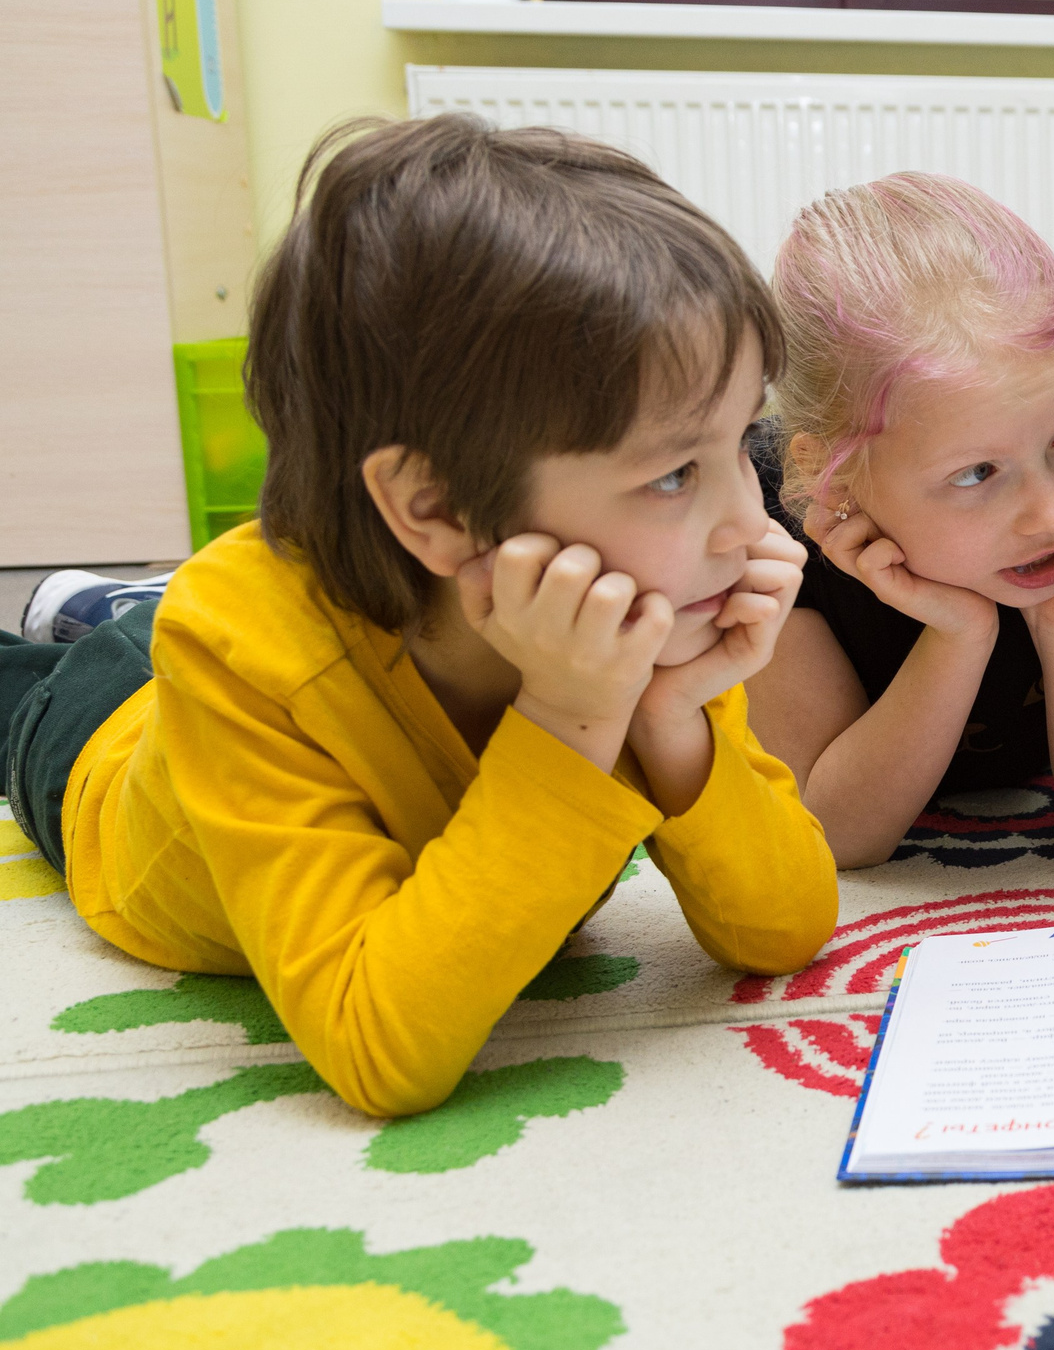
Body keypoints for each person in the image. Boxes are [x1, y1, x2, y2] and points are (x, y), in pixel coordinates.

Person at [1, 114, 837, 1117]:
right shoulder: (237, 641)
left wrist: (672, 718)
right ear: (435, 509)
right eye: (671, 475)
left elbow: (784, 929)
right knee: (49, 683)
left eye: (741, 440)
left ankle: (106, 604)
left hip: (354, 611)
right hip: (104, 739)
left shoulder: (639, 609)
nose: (752, 525)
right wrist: (573, 717)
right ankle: (94, 623)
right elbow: (377, 1048)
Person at [742, 174, 1054, 865]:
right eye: (977, 472)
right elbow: (834, 835)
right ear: (830, 480)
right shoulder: (767, 518)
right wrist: (959, 633)